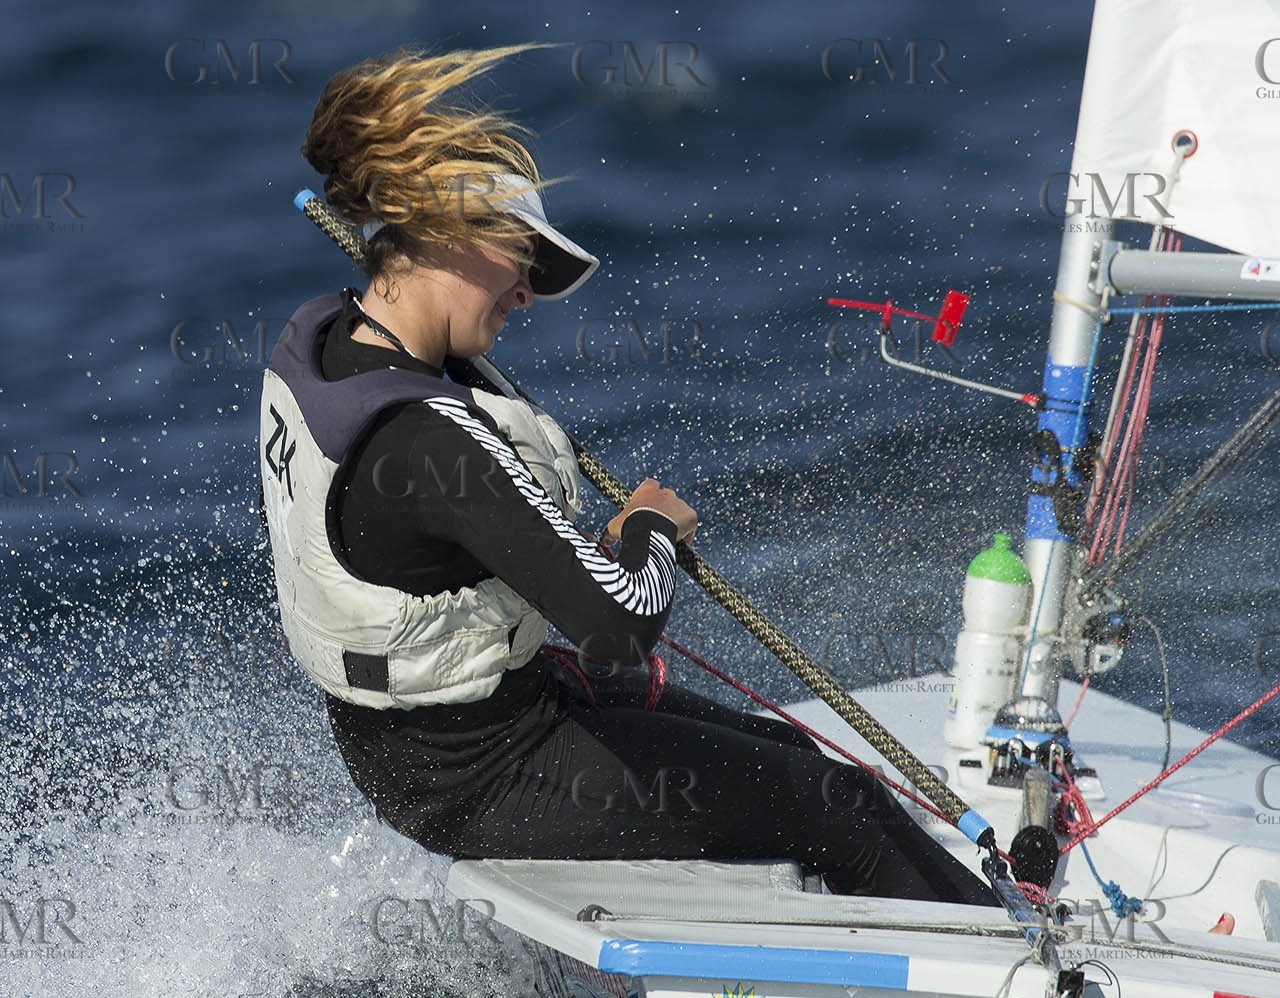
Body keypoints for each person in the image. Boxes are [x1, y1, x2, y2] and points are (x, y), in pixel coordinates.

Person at [259, 43, 998, 906]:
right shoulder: (431, 439)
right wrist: (649, 531)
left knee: (795, 757)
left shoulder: (330, 342)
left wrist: (581, 549)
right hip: (481, 773)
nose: (528, 293)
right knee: (841, 804)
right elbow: (618, 622)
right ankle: (1015, 982)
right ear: (447, 235)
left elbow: (432, 553)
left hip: (431, 740)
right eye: (520, 260)